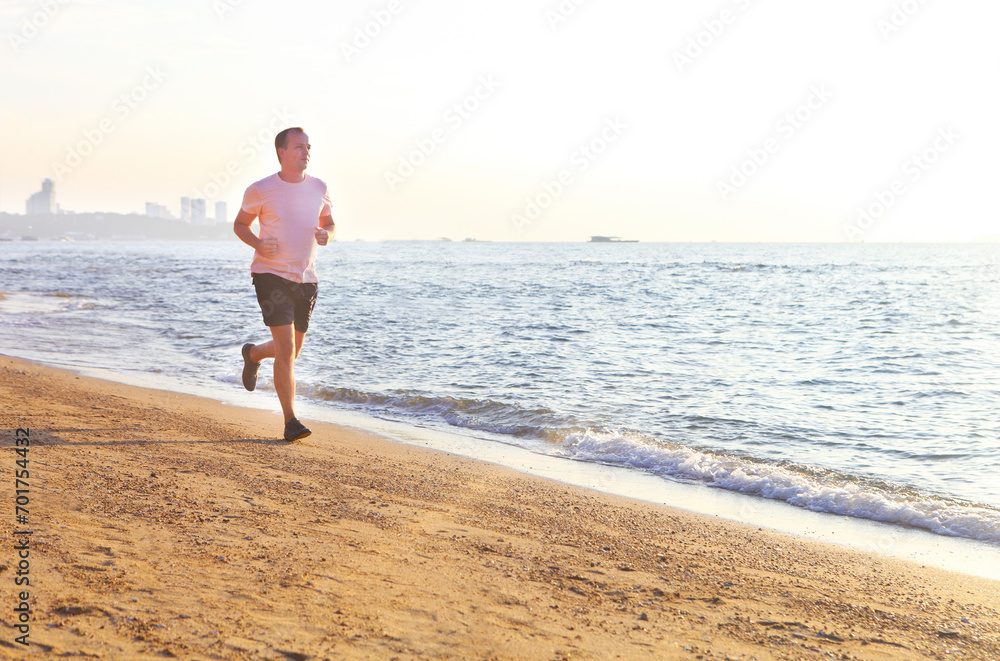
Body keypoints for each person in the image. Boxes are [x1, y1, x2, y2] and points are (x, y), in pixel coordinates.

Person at [234, 127, 335, 441]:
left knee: (291, 352)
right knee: (287, 348)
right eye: (299, 147)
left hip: (306, 278)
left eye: (308, 147)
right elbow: (240, 225)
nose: (306, 152)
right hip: (270, 275)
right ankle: (291, 421)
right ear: (282, 152)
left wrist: (326, 235)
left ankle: (252, 354)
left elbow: (329, 223)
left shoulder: (320, 187)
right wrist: (259, 244)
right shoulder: (261, 189)